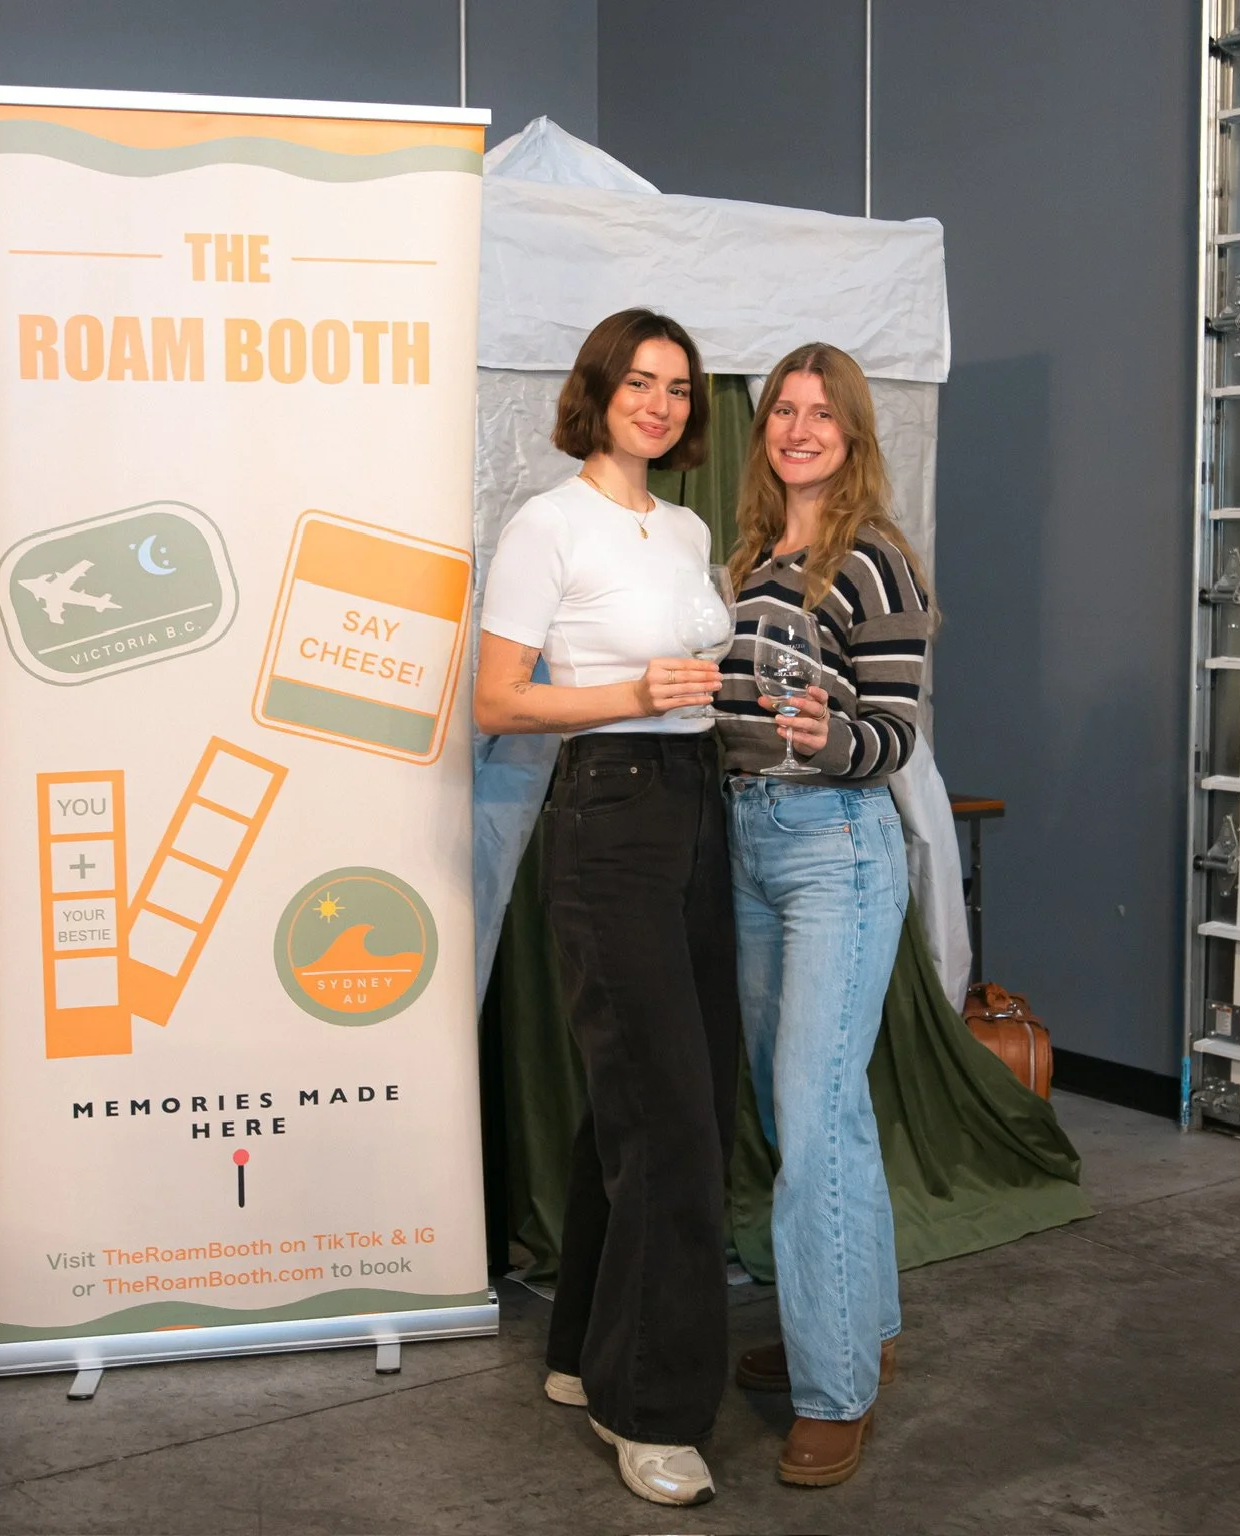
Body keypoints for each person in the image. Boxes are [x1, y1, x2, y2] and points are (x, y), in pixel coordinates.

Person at [473, 308, 737, 1509]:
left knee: (643, 1103)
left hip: (697, 806)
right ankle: (653, 1413)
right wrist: (633, 690)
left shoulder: (684, 527)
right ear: (599, 391)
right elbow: (496, 703)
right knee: (669, 1123)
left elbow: (700, 679)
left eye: (679, 387)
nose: (662, 403)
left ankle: (584, 1354)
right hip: (608, 816)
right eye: (640, 381)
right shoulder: (547, 523)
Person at [715, 342, 934, 1488]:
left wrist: (826, 738)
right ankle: (857, 1327)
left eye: (820, 414)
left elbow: (895, 732)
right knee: (807, 1111)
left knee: (810, 1116)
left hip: (835, 845)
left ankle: (834, 1392)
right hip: (752, 838)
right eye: (781, 412)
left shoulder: (874, 561)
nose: (799, 429)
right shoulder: (754, 556)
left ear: (851, 434)